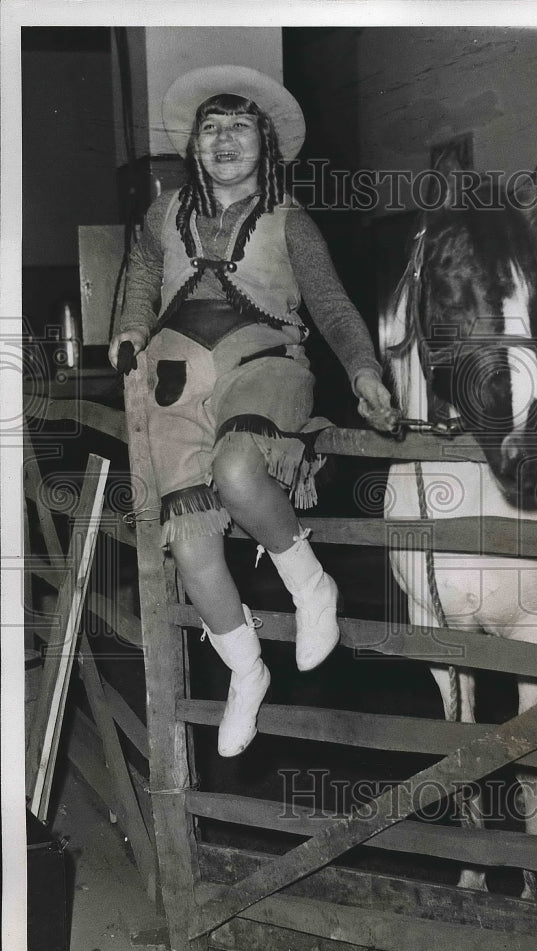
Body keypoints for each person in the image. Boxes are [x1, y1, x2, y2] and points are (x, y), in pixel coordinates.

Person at [109, 66, 397, 758]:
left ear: (265, 144)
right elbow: (142, 277)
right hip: (174, 375)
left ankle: (310, 583)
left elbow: (329, 306)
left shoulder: (291, 221)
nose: (224, 139)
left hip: (263, 363)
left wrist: (362, 369)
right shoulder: (162, 213)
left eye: (239, 127)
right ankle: (245, 667)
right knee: (188, 538)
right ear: (194, 149)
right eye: (211, 128)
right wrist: (129, 328)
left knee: (240, 470)